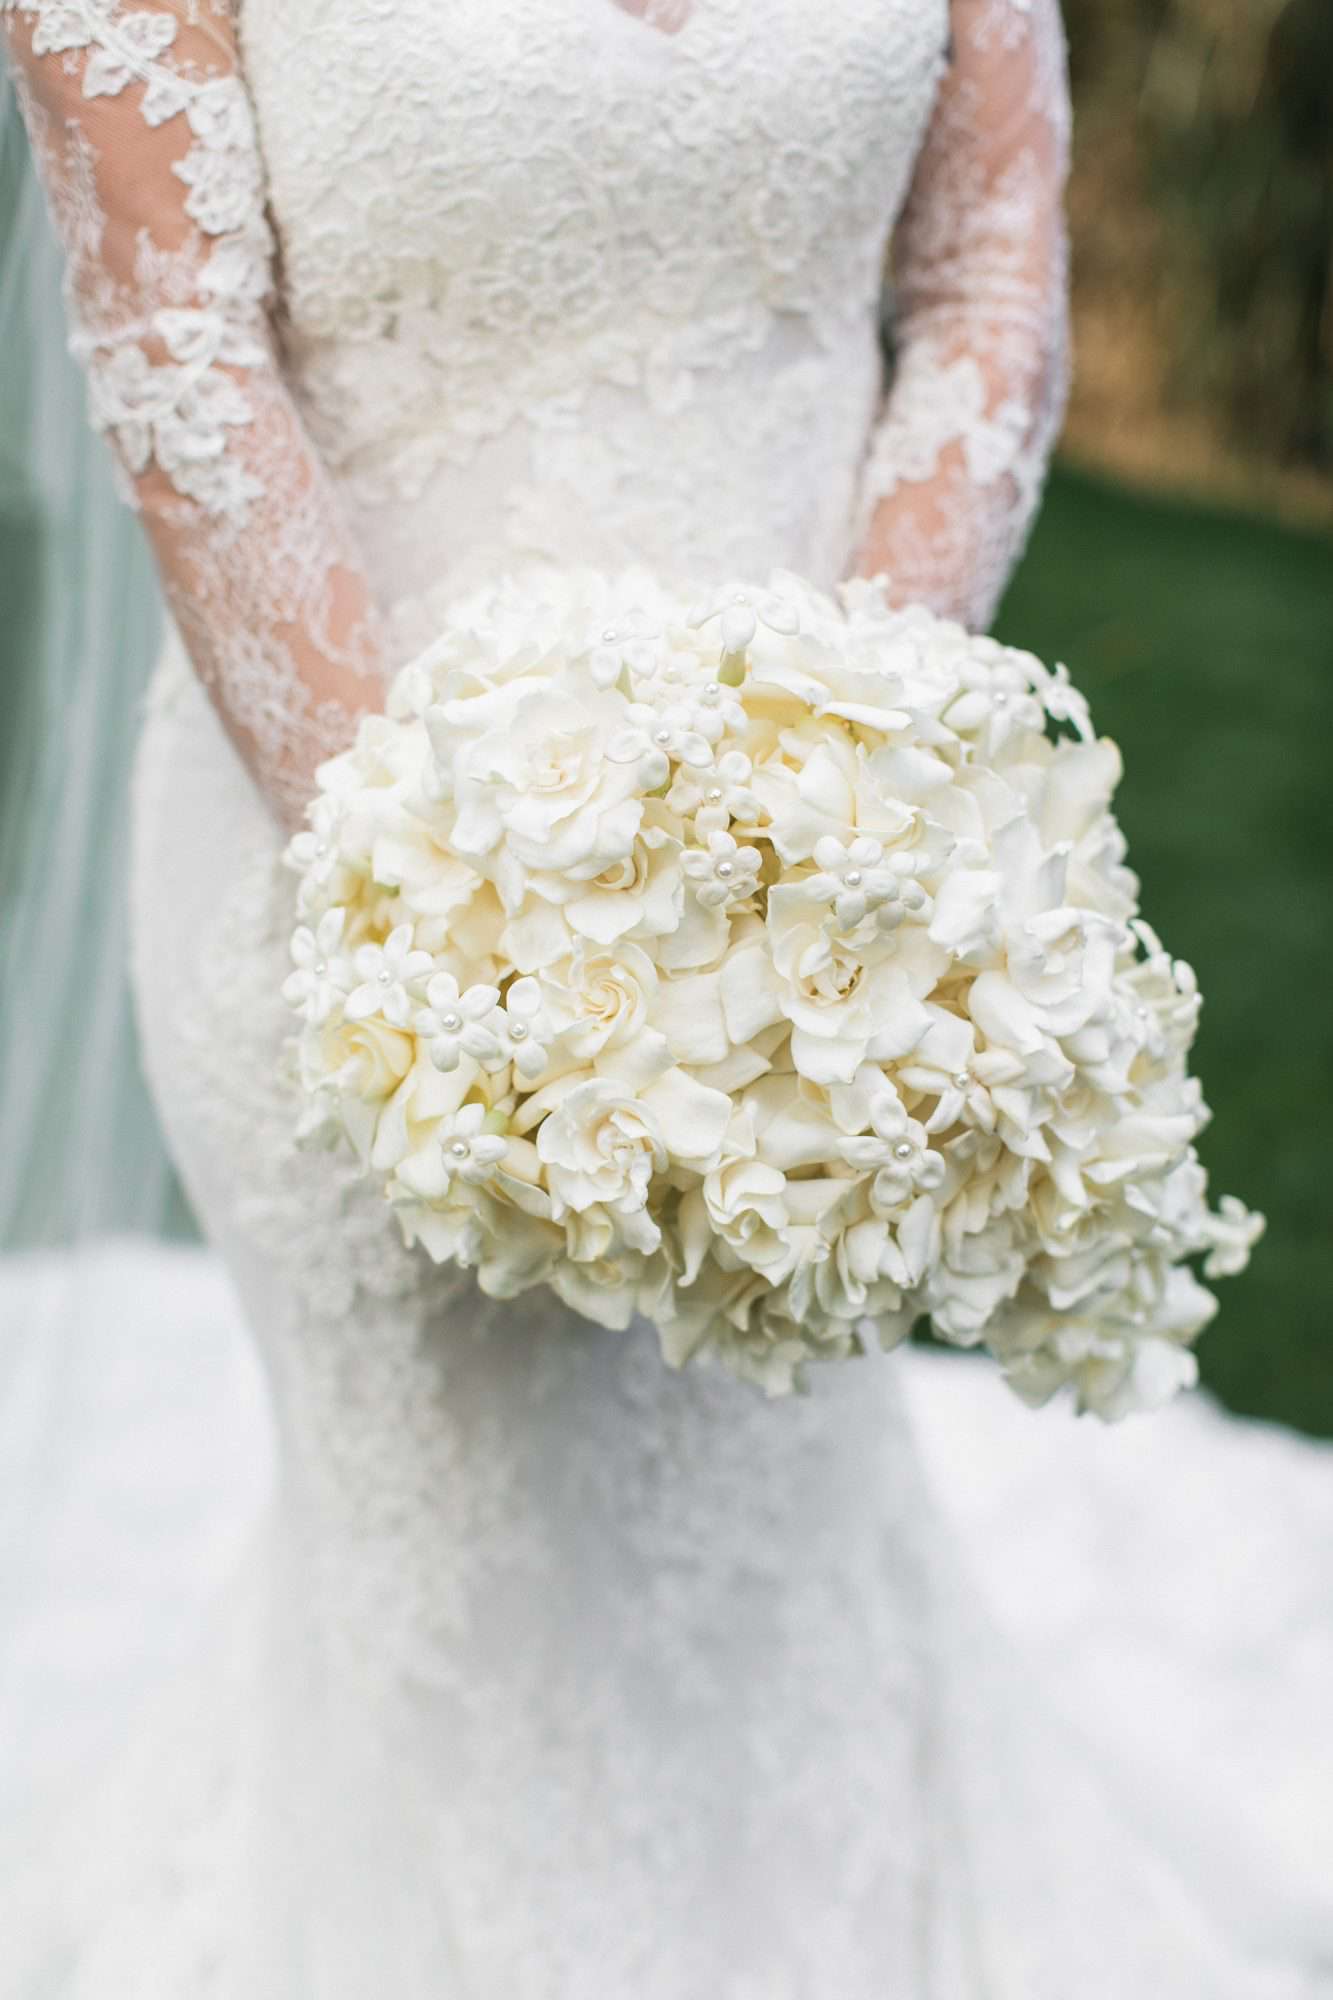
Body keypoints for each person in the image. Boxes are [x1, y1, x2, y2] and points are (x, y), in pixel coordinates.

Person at [1, 2, 1327, 1992]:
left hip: (833, 945)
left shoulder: (838, 885)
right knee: (469, 1607)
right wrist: (447, 916)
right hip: (345, 878)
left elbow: (984, 294)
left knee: (770, 1519)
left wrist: (839, 822)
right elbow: (184, 358)